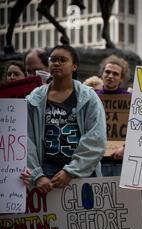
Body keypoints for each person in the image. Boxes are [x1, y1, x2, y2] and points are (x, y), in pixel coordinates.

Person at [22, 45, 106, 191]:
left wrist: (71, 171)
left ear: (74, 66)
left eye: (62, 60)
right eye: (53, 60)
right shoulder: (34, 99)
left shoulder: (89, 97)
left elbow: (96, 138)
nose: (56, 63)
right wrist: (37, 175)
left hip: (82, 173)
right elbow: (25, 138)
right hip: (46, 173)